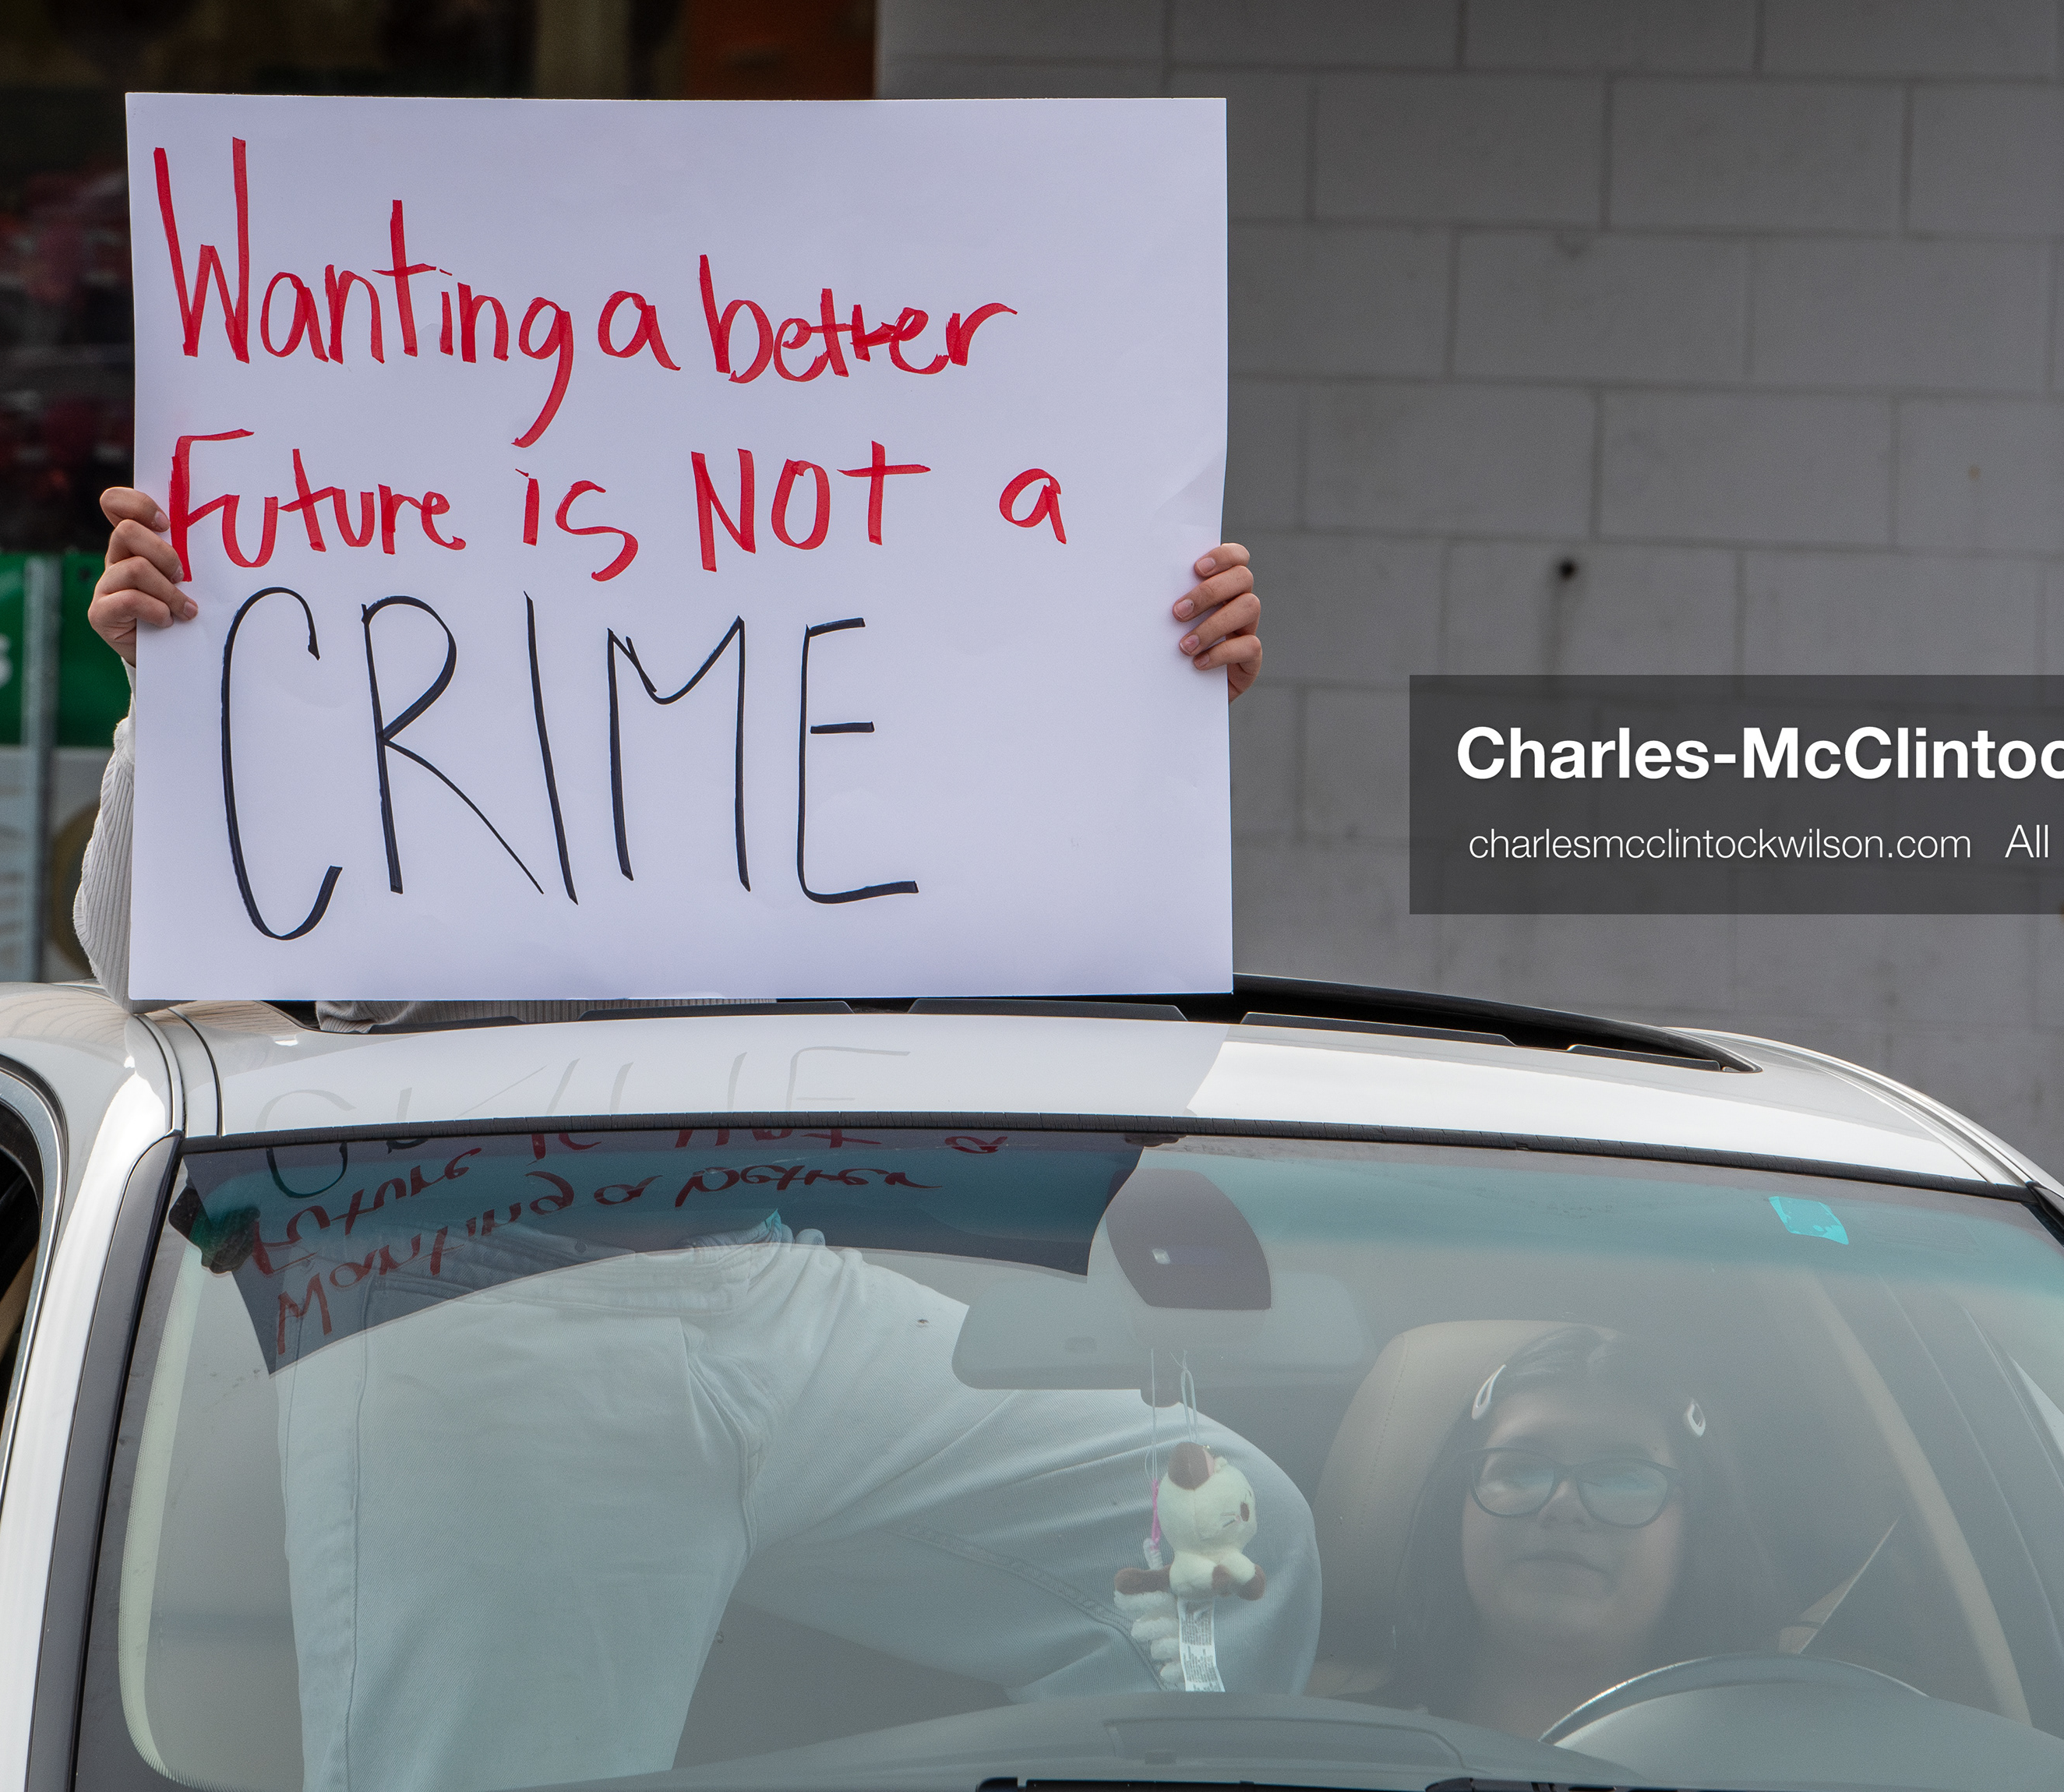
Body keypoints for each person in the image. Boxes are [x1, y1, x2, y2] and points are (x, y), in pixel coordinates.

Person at [71, 484, 1297, 1792]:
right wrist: (178, 690)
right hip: (465, 1299)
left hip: (770, 1261)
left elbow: (1011, 901)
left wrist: (1142, 719)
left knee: (1237, 1550)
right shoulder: (386, 535)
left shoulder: (796, 531)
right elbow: (143, 961)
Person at [72, 484, 1264, 1014]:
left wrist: (1146, 689)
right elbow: (132, 966)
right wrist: (170, 698)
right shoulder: (354, 673)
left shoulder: (825, 653)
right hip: (438, 1269)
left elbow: (1053, 920)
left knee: (1258, 1521)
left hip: (806, 1247)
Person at [1378, 1325, 1783, 1743]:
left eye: (1624, 1478)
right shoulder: (1340, 1754)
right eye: (1520, 1468)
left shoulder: (1763, 1771)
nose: (1564, 1507)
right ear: (1455, 1507)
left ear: (1697, 1531)